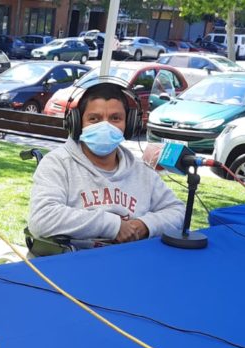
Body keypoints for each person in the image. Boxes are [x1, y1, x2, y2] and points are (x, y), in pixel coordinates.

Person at [28, 82, 184, 249]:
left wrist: (144, 225)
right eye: (94, 119)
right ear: (77, 123)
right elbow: (41, 219)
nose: (105, 126)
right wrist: (113, 226)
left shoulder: (142, 172)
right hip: (74, 262)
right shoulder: (57, 164)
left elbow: (177, 211)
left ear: (129, 124)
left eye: (115, 118)